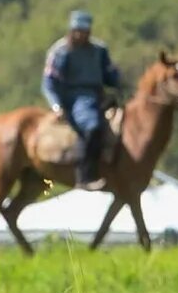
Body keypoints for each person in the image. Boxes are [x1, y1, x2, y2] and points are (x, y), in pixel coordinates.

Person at [40, 9, 123, 184]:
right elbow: (49, 83)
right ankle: (85, 176)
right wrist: (56, 105)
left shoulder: (99, 50)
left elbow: (109, 76)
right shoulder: (61, 51)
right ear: (71, 31)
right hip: (75, 98)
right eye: (77, 31)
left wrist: (120, 81)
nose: (81, 35)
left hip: (97, 95)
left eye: (84, 31)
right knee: (92, 126)